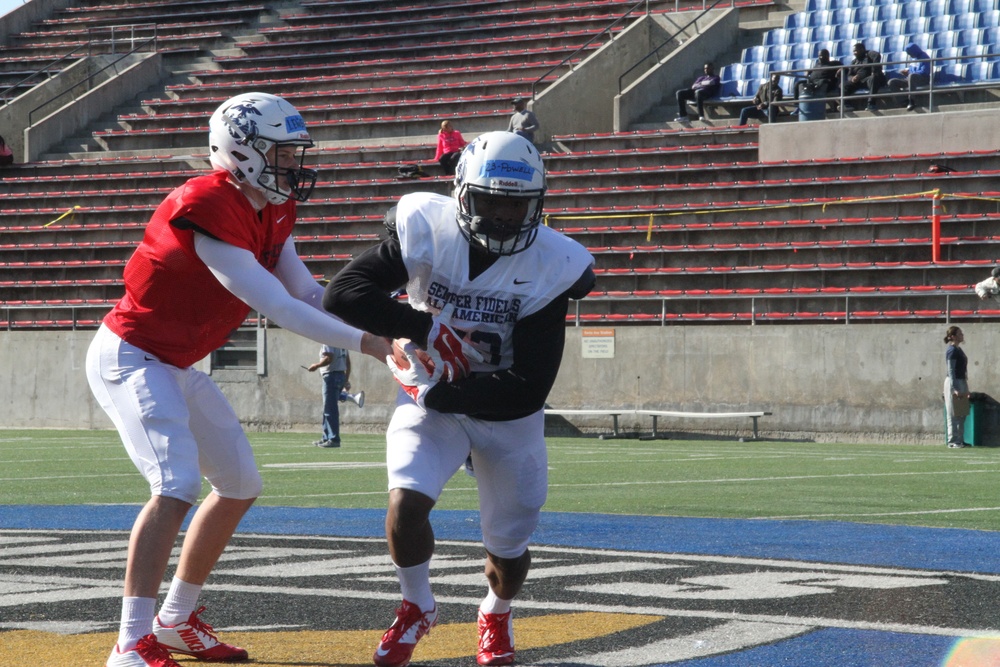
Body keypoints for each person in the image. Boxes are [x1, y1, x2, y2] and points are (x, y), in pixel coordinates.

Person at [86, 92, 390, 667]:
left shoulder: (272, 206)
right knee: (174, 486)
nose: (294, 165)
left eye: (296, 152)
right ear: (241, 151)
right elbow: (277, 305)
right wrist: (370, 344)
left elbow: (304, 290)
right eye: (281, 152)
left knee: (240, 482)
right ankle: (129, 643)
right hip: (132, 355)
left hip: (175, 363)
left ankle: (174, 619)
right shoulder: (207, 201)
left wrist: (386, 320)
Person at [323, 131, 595, 667]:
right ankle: (417, 604)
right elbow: (343, 292)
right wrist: (421, 327)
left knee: (508, 549)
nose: (499, 217)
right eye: (488, 201)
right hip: (434, 395)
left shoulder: (553, 264)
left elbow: (528, 388)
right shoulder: (430, 229)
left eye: (513, 205)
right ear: (460, 194)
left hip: (502, 409)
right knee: (405, 504)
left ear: (535, 207)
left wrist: (439, 390)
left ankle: (495, 612)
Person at [307, 345, 353, 447]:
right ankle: (326, 437)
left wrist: (316, 365)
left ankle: (333, 439)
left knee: (330, 409)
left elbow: (329, 358)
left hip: (331, 376)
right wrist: (346, 379)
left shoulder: (328, 342)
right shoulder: (342, 342)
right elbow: (348, 362)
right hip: (340, 375)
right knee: (328, 409)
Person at [943, 326, 970, 449]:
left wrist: (966, 387)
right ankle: (952, 441)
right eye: (959, 333)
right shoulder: (952, 350)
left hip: (961, 381)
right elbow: (951, 370)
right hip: (953, 382)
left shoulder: (959, 350)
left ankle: (960, 439)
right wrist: (954, 388)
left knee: (961, 412)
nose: (962, 335)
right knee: (953, 412)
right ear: (953, 336)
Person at [841, 42, 886, 111]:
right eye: (853, 51)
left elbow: (877, 56)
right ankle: (846, 105)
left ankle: (871, 104)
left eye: (856, 51)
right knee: (843, 85)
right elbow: (849, 75)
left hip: (868, 79)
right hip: (858, 81)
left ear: (862, 50)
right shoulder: (854, 62)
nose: (854, 53)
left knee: (873, 78)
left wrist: (873, 71)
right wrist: (852, 78)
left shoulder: (869, 55)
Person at [887, 42, 932, 111]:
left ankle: (912, 101)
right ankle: (903, 101)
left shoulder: (924, 57)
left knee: (912, 76)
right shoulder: (912, 58)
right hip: (911, 78)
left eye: (910, 53)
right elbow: (911, 70)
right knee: (892, 82)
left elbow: (925, 72)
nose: (910, 55)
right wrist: (907, 72)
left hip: (922, 79)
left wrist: (912, 74)